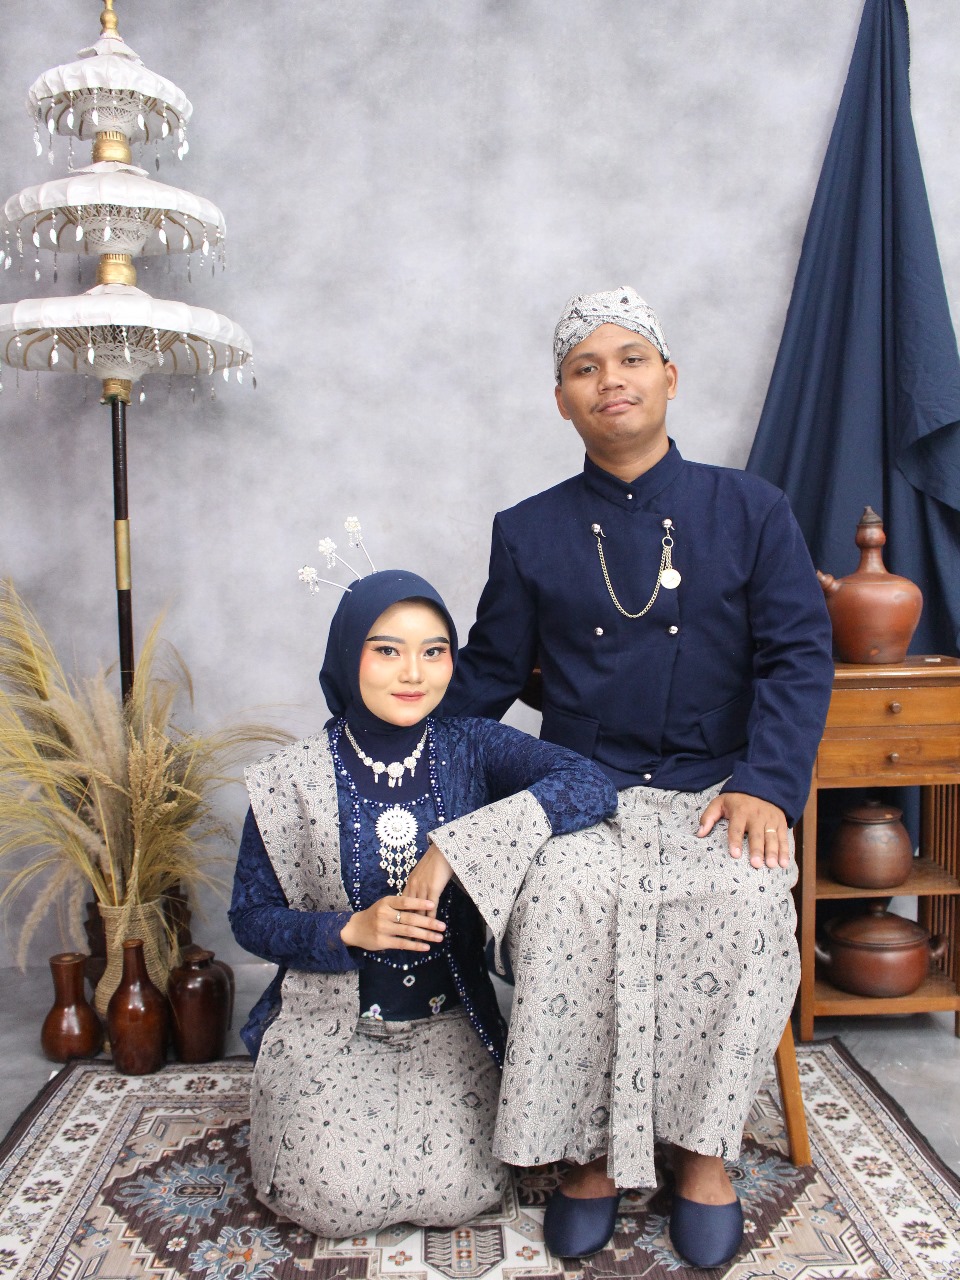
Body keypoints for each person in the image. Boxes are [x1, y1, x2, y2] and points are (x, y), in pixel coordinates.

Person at [433, 288, 835, 1267]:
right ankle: (585, 1160)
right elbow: (486, 677)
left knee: (745, 902)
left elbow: (799, 655)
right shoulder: (528, 530)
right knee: (561, 901)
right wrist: (391, 753)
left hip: (720, 786)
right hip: (581, 791)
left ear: (668, 378)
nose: (609, 379)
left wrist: (768, 783)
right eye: (585, 368)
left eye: (630, 359)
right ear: (562, 400)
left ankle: (703, 1155)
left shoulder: (753, 509)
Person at [228, 569, 617, 1240]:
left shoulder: (471, 746)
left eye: (434, 651)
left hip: (448, 1023)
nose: (413, 672)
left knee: (459, 1195)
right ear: (347, 655)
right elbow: (250, 916)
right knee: (334, 1202)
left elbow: (589, 784)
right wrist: (349, 929)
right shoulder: (290, 778)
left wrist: (459, 848)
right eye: (387, 650)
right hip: (336, 1024)